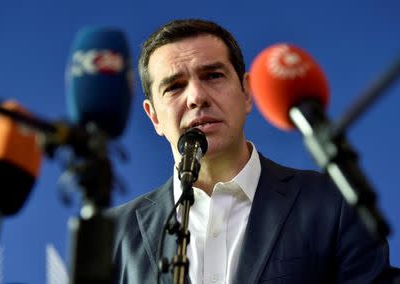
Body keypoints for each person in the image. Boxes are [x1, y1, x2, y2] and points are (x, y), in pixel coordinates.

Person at [106, 18, 393, 283]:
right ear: (154, 116)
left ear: (246, 93)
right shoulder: (115, 235)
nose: (196, 97)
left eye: (213, 76)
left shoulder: (334, 203)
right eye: (175, 87)